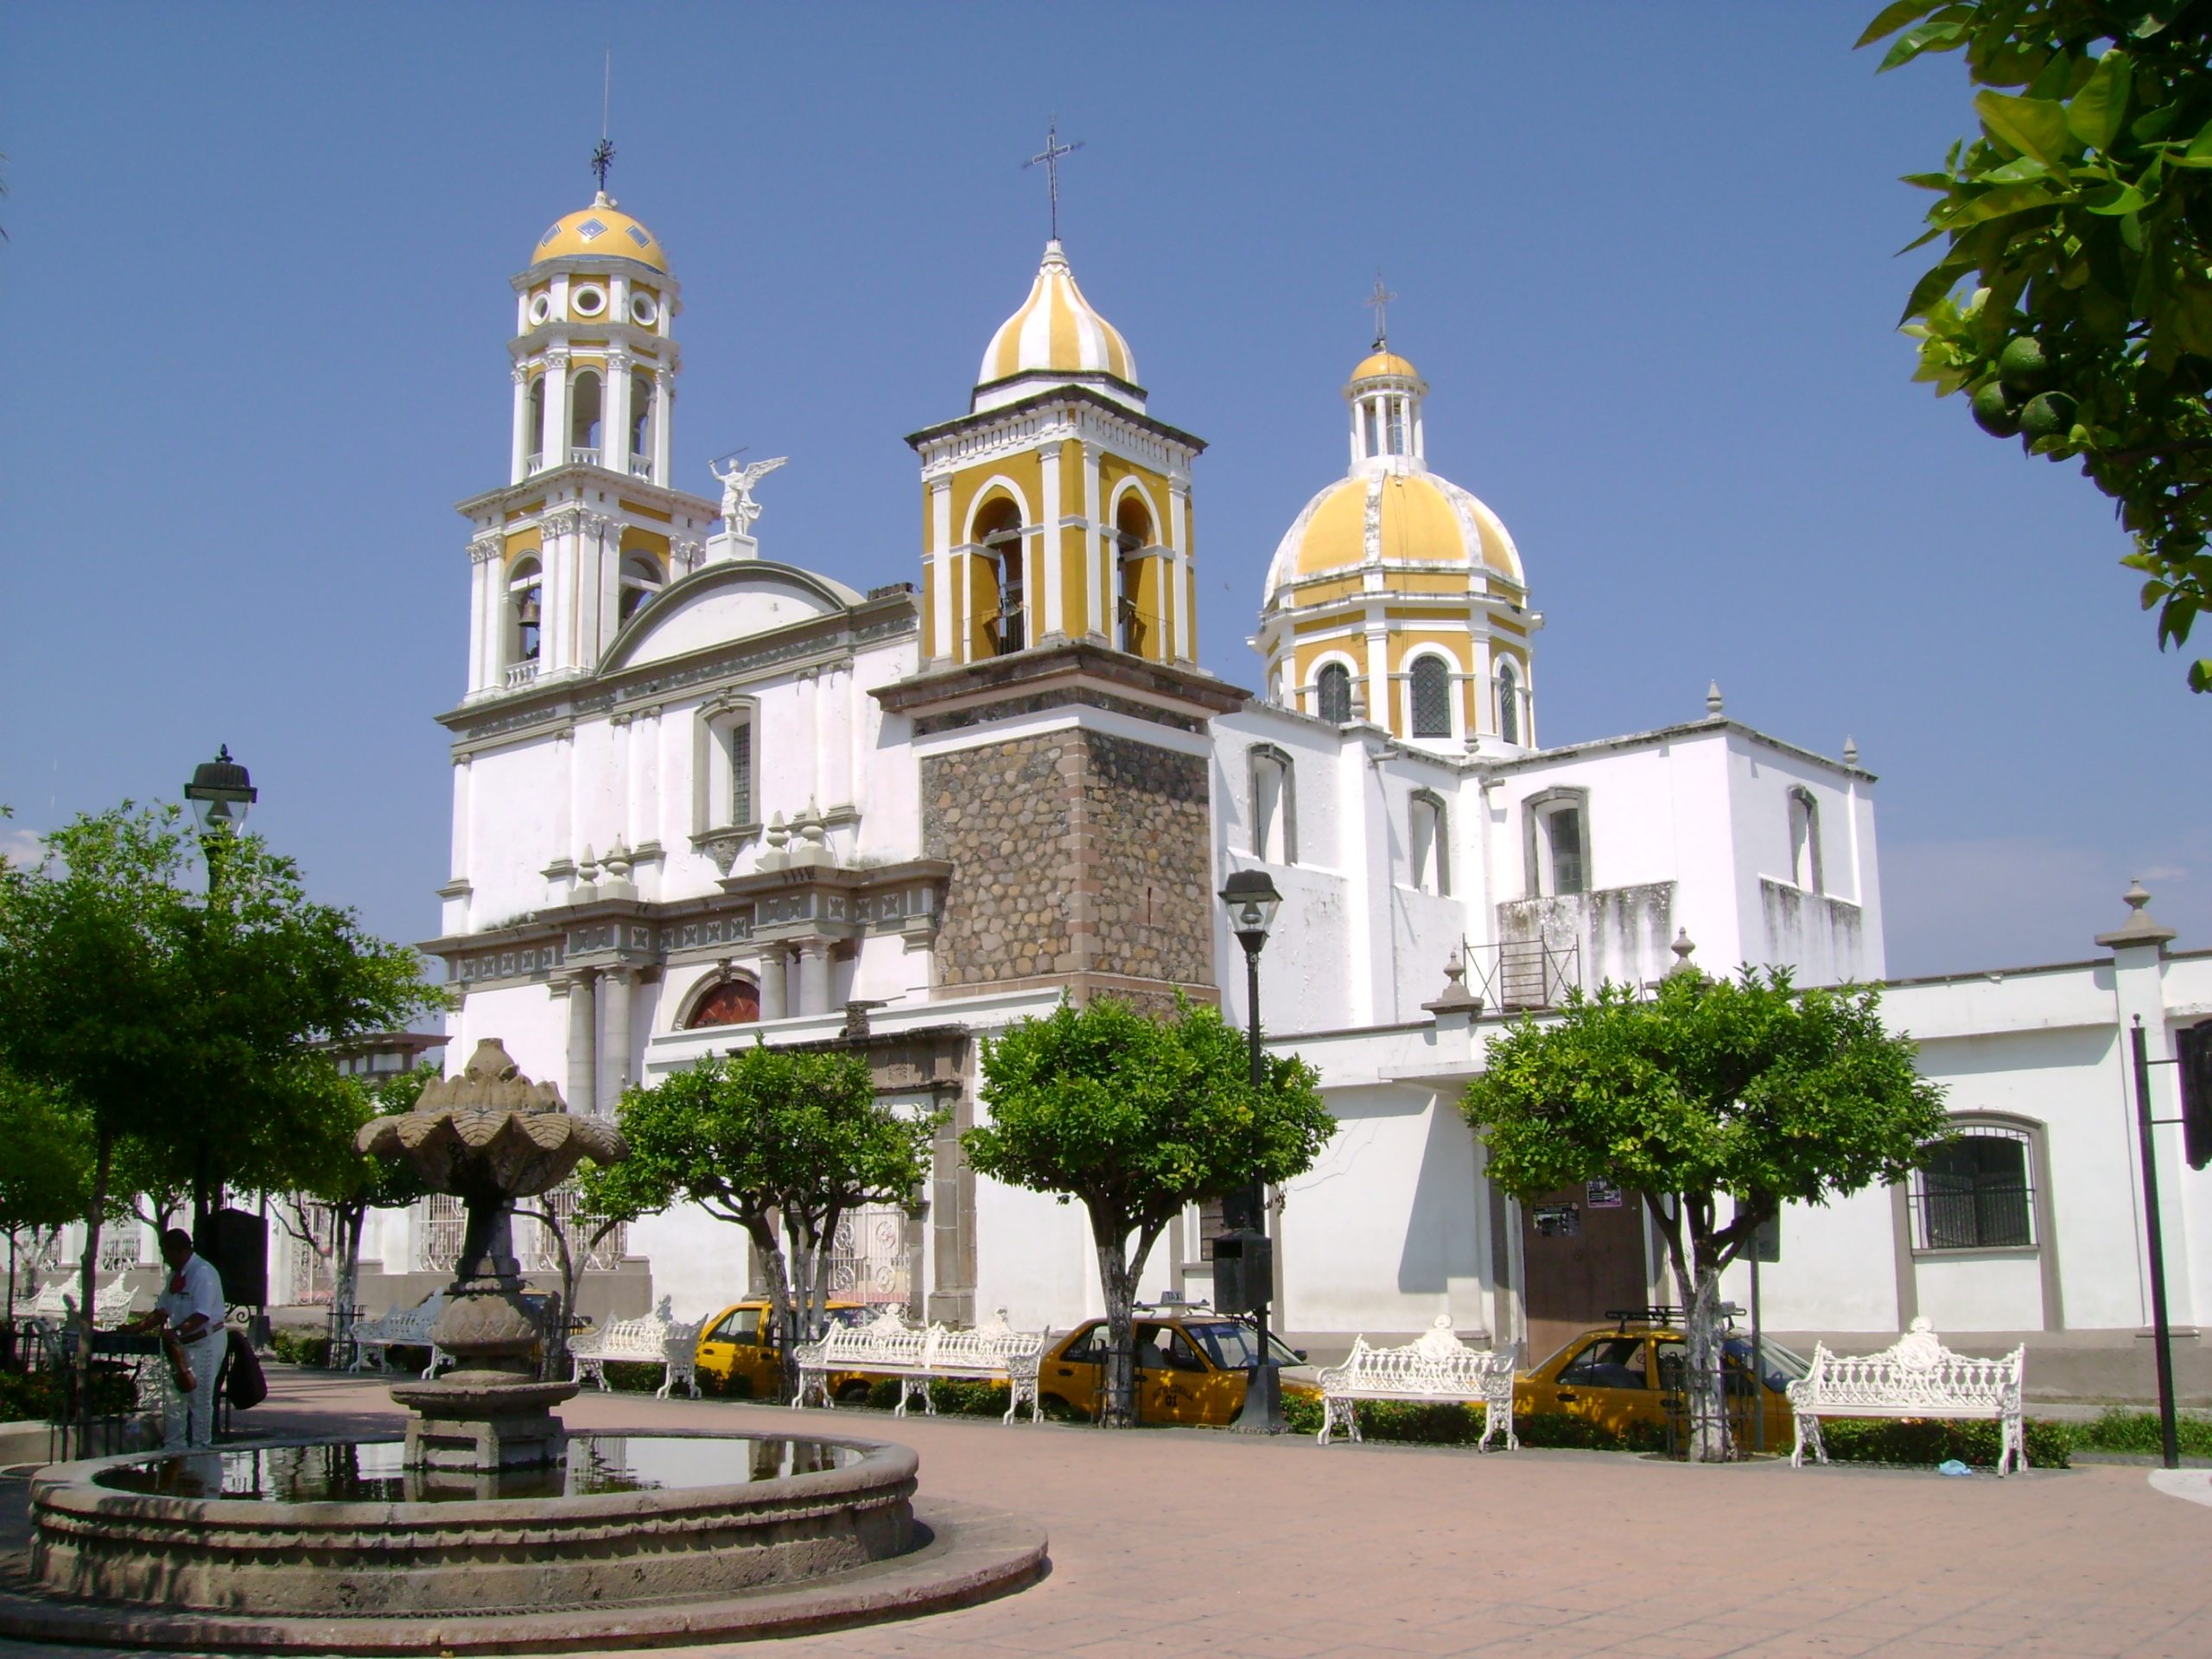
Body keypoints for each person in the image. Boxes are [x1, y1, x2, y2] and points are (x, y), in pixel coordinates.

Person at [121, 1229, 226, 1449]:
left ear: (180, 1251)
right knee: (174, 1400)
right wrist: (135, 1328)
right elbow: (162, 1311)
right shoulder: (175, 1275)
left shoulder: (203, 1273)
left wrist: (176, 1332)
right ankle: (174, 1447)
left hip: (204, 1343)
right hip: (180, 1346)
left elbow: (202, 1315)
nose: (165, 1259)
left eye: (166, 1253)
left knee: (200, 1399)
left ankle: (200, 1448)